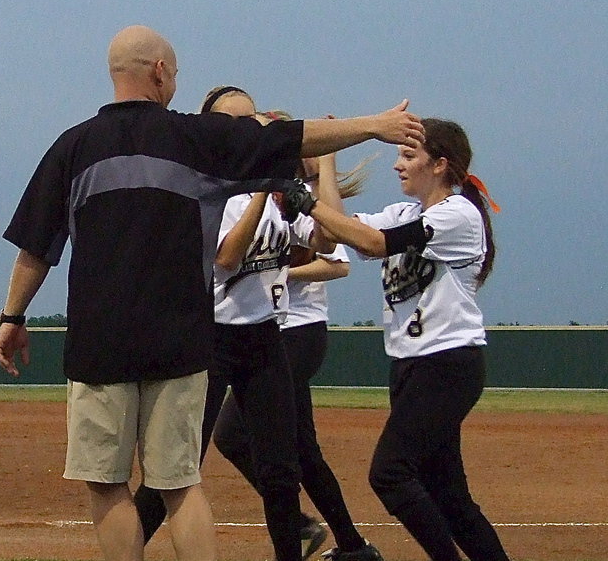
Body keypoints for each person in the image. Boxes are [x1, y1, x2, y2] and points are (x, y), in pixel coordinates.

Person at [0, 24, 424, 561]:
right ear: (160, 71)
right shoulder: (195, 138)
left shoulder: (72, 147)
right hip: (181, 339)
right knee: (179, 484)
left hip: (99, 341)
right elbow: (292, 138)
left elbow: (35, 249)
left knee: (107, 484)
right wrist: (376, 126)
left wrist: (13, 315)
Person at [130, 86, 349, 561]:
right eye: (233, 120)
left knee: (280, 470)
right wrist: (260, 191)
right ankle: (124, 552)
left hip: (264, 337)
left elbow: (330, 240)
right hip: (209, 341)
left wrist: (324, 169)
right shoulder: (205, 190)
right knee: (175, 466)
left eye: (251, 119)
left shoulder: (277, 194)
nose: (245, 129)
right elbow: (227, 257)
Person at [278, 118, 511, 561]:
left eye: (408, 156)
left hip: (447, 363)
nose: (397, 166)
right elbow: (332, 234)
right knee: (450, 497)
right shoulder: (405, 212)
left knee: (390, 473)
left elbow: (373, 243)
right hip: (410, 365)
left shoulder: (458, 214)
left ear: (440, 165)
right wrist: (324, 166)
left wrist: (308, 202)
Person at [211, 111, 381, 561]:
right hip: (270, 330)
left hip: (295, 330)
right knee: (296, 447)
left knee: (262, 442)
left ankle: (319, 532)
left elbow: (336, 259)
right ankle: (346, 541)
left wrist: (281, 267)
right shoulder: (261, 196)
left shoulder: (298, 199)